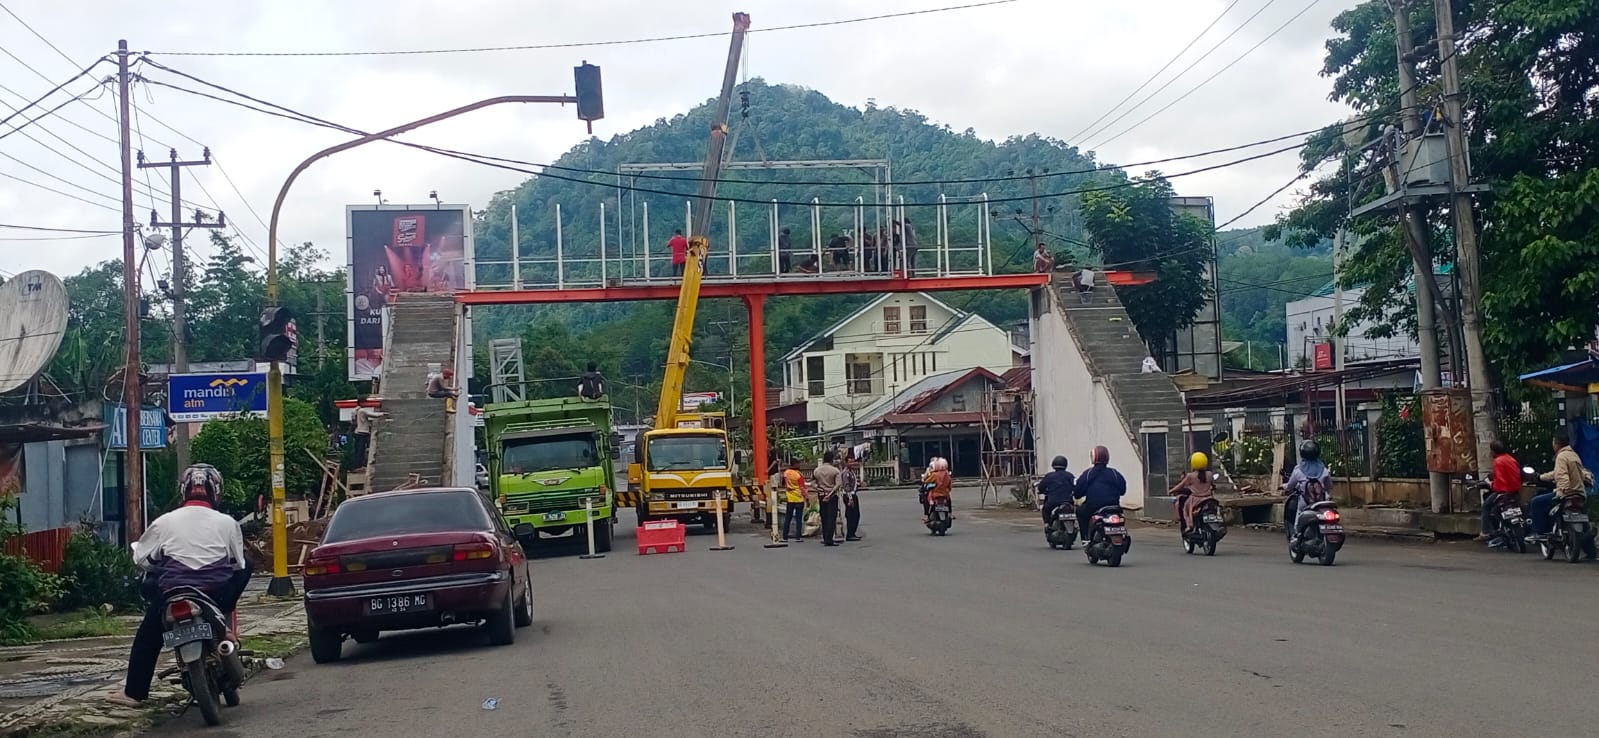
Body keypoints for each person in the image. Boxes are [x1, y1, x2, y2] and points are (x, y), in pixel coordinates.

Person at [111, 465, 251, 706]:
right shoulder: (227, 523)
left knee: (148, 637)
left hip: (173, 592)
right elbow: (237, 562)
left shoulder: (164, 522)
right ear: (216, 492)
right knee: (247, 565)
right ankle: (227, 631)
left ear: (183, 491)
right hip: (216, 595)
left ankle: (133, 693)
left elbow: (141, 559)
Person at [1530, 428, 1590, 541]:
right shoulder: (1573, 455)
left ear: (1556, 443)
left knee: (1536, 502)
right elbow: (1557, 473)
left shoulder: (1561, 456)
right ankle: (1590, 550)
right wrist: (1540, 477)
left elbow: (1562, 477)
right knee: (1584, 518)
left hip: (1567, 493)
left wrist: (1561, 492)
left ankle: (1539, 532)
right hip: (1579, 493)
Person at [1282, 440, 1332, 540]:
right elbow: (1329, 486)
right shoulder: (1324, 469)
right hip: (1322, 501)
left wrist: (1284, 486)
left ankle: (1296, 535)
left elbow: (1290, 486)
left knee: (1299, 512)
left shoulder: (1298, 469)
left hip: (1306, 501)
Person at [1073, 446, 1126, 536]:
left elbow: (1078, 493)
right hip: (1114, 507)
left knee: (1080, 512)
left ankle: (1085, 538)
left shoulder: (1088, 474)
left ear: (1093, 458)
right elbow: (1123, 491)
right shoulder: (1114, 473)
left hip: (1093, 507)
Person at [1478, 440, 1522, 544]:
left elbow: (1500, 480)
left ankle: (1486, 532)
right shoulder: (1511, 459)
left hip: (1503, 491)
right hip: (1515, 490)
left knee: (1486, 506)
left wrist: (1491, 485)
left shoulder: (1498, 461)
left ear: (1493, 451)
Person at [1170, 452, 1216, 535]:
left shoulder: (1190, 476)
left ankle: (1189, 525)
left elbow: (1180, 485)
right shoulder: (1209, 474)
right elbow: (1213, 485)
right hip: (1208, 498)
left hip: (1195, 499)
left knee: (1185, 510)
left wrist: (1171, 491)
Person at [813, 451, 843, 546]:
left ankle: (825, 537)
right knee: (831, 517)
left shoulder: (817, 470)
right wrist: (830, 494)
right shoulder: (835, 471)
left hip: (821, 494)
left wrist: (820, 489)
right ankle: (829, 538)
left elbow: (813, 483)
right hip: (832, 495)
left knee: (824, 516)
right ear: (832, 459)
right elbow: (838, 484)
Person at [1037, 455, 1076, 528]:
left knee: (1045, 510)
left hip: (1052, 502)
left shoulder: (1049, 476)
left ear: (1053, 465)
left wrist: (1042, 491)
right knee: (1072, 510)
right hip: (1068, 501)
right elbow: (1076, 486)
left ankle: (1047, 524)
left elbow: (1041, 487)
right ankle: (1073, 525)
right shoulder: (1070, 476)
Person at [350, 398, 386, 471]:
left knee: (357, 450)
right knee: (361, 450)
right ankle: (359, 465)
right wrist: (383, 414)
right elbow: (373, 415)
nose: (365, 404)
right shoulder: (362, 411)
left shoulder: (354, 411)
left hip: (357, 432)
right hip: (363, 432)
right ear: (361, 403)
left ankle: (356, 466)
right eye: (364, 403)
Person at [782, 459, 808, 543]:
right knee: (798, 518)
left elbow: (783, 484)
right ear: (795, 464)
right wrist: (806, 497)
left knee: (788, 518)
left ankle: (785, 536)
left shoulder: (786, 473)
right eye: (798, 463)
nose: (799, 465)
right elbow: (802, 487)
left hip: (790, 498)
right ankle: (798, 536)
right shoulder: (798, 475)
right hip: (799, 498)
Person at [842, 447, 864, 541]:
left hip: (853, 494)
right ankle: (850, 534)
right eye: (850, 462)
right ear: (846, 462)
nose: (852, 463)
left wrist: (858, 484)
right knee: (851, 515)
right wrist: (850, 498)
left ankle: (853, 533)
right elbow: (846, 486)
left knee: (856, 515)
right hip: (849, 495)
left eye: (853, 461)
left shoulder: (851, 472)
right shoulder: (845, 473)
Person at [923, 457, 953, 522]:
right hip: (945, 494)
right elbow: (950, 486)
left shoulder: (935, 474)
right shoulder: (947, 474)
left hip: (935, 494)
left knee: (926, 500)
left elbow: (927, 481)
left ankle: (927, 515)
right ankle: (950, 514)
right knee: (949, 501)